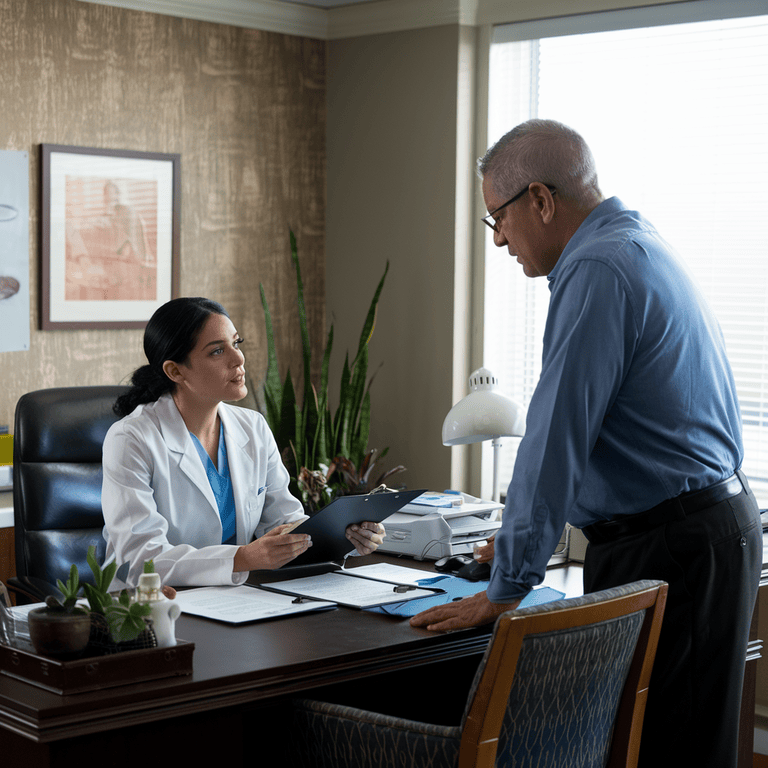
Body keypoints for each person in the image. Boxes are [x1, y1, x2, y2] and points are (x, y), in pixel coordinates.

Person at [410, 119, 761, 768]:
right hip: (700, 530)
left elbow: (556, 436)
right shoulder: (633, 244)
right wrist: (522, 540)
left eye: (499, 219)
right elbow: (634, 428)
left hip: (674, 544)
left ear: (539, 200)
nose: (500, 240)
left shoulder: (596, 268)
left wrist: (506, 584)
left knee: (663, 750)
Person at [101, 296, 384, 588]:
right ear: (175, 371)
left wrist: (345, 536)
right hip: (152, 608)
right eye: (217, 351)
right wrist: (242, 558)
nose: (238, 359)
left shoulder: (253, 427)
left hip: (234, 598)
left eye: (236, 343)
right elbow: (139, 560)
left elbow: (284, 524)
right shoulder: (131, 439)